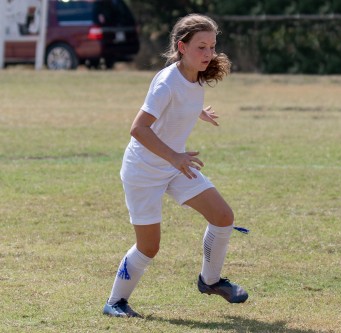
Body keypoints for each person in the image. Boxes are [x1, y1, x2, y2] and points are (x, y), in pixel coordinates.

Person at [103, 14, 248, 318]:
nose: (208, 54)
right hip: (143, 171)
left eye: (212, 46)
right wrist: (175, 158)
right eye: (201, 47)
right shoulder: (167, 82)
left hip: (174, 165)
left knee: (223, 217)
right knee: (148, 247)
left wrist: (197, 112)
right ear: (182, 47)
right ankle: (115, 302)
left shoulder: (194, 75)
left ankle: (210, 281)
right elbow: (138, 129)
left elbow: (179, 105)